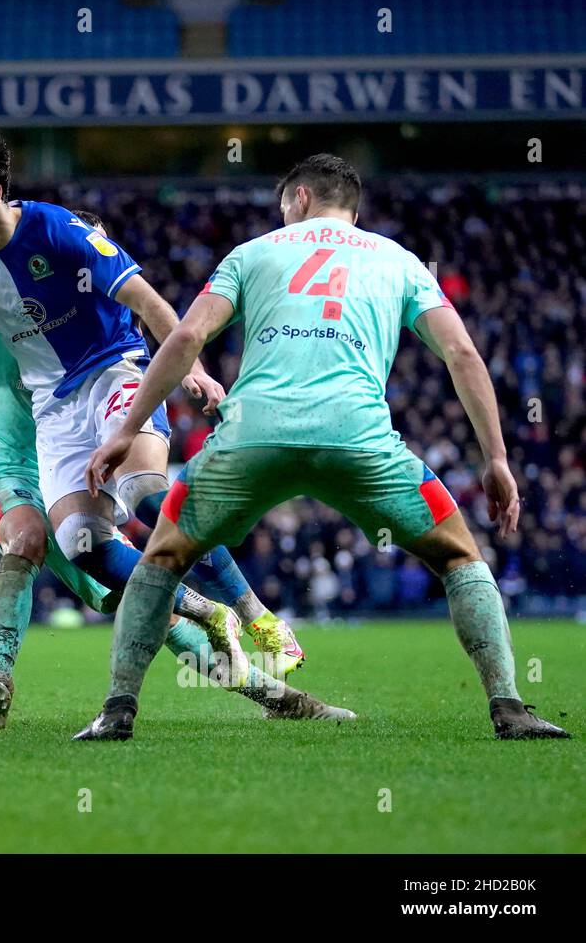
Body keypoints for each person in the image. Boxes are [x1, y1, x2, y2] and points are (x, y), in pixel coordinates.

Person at [76, 154, 568, 741]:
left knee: (162, 558)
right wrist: (496, 459)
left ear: (301, 198)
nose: (282, 216)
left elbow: (185, 335)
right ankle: (509, 709)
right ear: (353, 210)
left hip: (251, 438)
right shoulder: (400, 261)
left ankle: (117, 712)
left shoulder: (253, 252)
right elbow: (462, 355)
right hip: (357, 438)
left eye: (285, 205)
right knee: (459, 557)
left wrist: (127, 430)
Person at [0, 180, 346, 727]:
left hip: (91, 437)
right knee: (40, 539)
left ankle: (270, 684)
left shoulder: (84, 289)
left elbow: (144, 303)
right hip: (12, 462)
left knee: (143, 573)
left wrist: (192, 372)